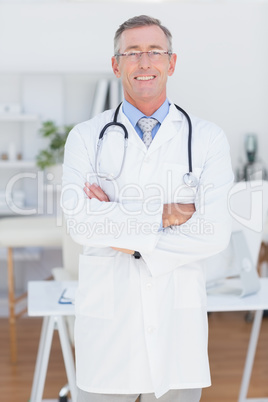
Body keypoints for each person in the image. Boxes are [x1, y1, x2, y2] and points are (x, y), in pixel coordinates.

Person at [61, 15, 233, 402]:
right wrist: (164, 214)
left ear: (171, 63)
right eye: (132, 52)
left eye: (155, 52)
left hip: (178, 325)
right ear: (116, 64)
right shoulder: (86, 137)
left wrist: (120, 230)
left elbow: (214, 232)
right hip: (109, 328)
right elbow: (80, 224)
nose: (144, 62)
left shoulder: (206, 139)